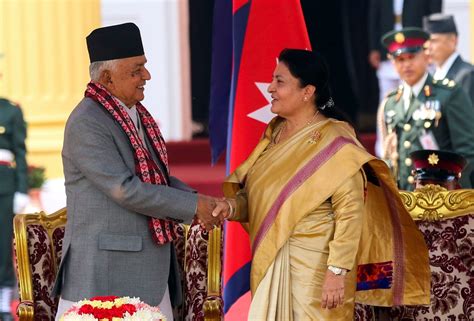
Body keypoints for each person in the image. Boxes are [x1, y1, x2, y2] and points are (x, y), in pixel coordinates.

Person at [213, 49, 431, 321]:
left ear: (307, 92)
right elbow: (261, 198)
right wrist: (231, 207)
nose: (270, 88)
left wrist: (336, 272)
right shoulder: (275, 132)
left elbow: (350, 212)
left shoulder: (336, 141)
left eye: (280, 81)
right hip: (272, 262)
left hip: (317, 272)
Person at [53, 22, 221, 321]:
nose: (147, 76)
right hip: (105, 274)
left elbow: (155, 180)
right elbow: (125, 188)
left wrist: (197, 199)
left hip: (147, 268)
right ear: (107, 78)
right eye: (136, 70)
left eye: (144, 67)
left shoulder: (133, 113)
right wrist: (195, 205)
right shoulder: (87, 122)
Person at [378, 27, 474, 191]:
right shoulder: (391, 103)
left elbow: (467, 152)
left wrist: (444, 189)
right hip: (406, 199)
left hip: (444, 200)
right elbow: (390, 156)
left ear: (426, 56)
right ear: (393, 63)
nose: (407, 64)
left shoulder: (449, 94)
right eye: (400, 59)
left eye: (412, 57)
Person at [369, 0, 442, 157]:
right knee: (386, 103)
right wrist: (373, 48)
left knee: (418, 101)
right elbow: (373, 17)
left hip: (416, 51)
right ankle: (383, 151)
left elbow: (434, 14)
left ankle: (417, 149)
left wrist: (431, 47)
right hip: (389, 52)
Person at [0, 97, 28, 321]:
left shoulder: (10, 111)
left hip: (3, 185)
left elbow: (20, 151)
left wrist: (21, 189)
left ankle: (3, 297)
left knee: (2, 242)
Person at [424, 14, 474, 105]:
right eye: (426, 42)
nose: (428, 47)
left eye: (434, 41)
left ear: (453, 41)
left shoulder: (467, 75)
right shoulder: (432, 75)